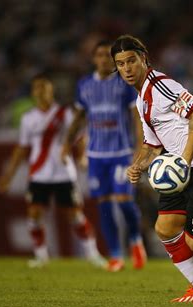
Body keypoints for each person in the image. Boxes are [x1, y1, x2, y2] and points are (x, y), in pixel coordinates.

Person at [111, 35, 193, 303]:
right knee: (165, 227)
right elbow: (152, 145)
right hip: (180, 169)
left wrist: (183, 158)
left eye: (131, 61)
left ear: (144, 59)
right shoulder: (142, 100)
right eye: (120, 64)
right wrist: (138, 165)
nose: (126, 68)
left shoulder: (161, 86)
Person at [0, 74, 105, 268]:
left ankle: (92, 254)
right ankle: (41, 256)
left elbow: (79, 137)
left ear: (51, 91)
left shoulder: (64, 113)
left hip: (64, 172)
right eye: (37, 88)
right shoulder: (28, 118)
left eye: (44, 87)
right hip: (39, 173)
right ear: (33, 93)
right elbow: (21, 148)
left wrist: (81, 157)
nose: (41, 91)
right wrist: (8, 176)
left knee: (75, 214)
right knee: (34, 213)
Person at [62, 40, 147, 272]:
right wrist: (66, 144)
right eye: (99, 55)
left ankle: (135, 241)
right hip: (96, 155)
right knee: (104, 205)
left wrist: (140, 147)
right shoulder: (85, 85)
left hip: (121, 152)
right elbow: (79, 117)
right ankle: (116, 255)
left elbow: (136, 117)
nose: (103, 59)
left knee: (124, 201)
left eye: (107, 56)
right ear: (93, 59)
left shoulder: (124, 84)